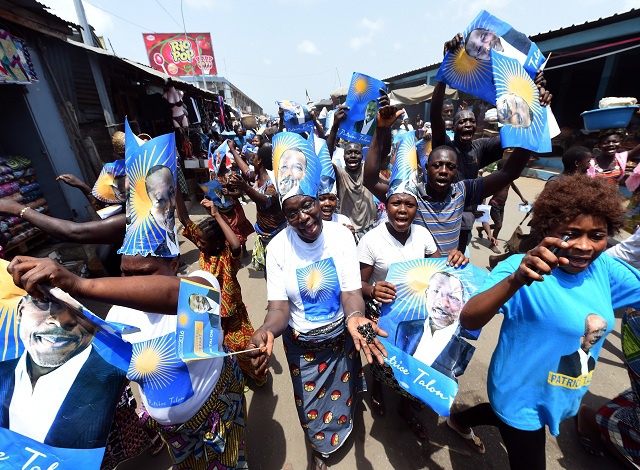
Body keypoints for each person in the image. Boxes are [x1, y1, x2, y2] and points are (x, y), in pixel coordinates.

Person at [446, 174, 640, 469]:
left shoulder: (605, 269)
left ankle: (459, 418)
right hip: (519, 393)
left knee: (497, 416)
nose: (584, 246)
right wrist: (515, 280)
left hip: (562, 390)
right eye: (571, 233)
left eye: (596, 235)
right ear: (548, 228)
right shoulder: (520, 268)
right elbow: (469, 317)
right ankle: (462, 418)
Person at [247, 132, 388, 470]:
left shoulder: (340, 236)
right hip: (303, 346)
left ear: (318, 200)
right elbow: (279, 309)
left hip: (342, 338)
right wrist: (267, 329)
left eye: (307, 206)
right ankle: (317, 448)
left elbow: (351, 292)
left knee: (346, 392)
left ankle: (343, 429)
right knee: (309, 404)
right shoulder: (278, 247)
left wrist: (355, 316)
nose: (304, 218)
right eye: (292, 213)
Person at [358, 141, 469, 441]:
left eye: (409, 205)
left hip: (413, 311)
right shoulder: (371, 240)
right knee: (379, 360)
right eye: (396, 203)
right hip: (379, 312)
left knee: (413, 360)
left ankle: (407, 407)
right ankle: (377, 389)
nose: (403, 210)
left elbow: (437, 267)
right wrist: (372, 290)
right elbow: (356, 285)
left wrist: (454, 258)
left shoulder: (422, 234)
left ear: (416, 208)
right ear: (387, 205)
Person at [364, 105, 537, 256]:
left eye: (450, 167)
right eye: (437, 165)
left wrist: (531, 126)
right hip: (416, 275)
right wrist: (380, 130)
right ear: (426, 168)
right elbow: (370, 181)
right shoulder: (412, 196)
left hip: (447, 277)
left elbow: (509, 173)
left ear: (456, 172)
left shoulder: (462, 191)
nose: (444, 171)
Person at [0, 295, 125, 449]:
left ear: (97, 324)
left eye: (81, 311)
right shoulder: (3, 373)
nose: (62, 320)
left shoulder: (115, 379)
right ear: (20, 310)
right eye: (46, 302)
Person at [177, 195, 265, 386]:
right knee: (217, 352)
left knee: (243, 349)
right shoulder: (203, 250)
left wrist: (217, 215)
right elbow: (184, 218)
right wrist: (176, 183)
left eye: (202, 242)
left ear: (217, 243)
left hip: (232, 315)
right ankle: (232, 380)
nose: (198, 244)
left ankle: (257, 378)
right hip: (209, 314)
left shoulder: (228, 256)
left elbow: (235, 245)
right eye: (198, 241)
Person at [396, 271, 476, 380]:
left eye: (453, 297)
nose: (443, 303)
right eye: (436, 291)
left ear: (463, 304)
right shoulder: (405, 328)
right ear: (426, 294)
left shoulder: (462, 349)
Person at [228, 143, 288, 276]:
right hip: (264, 233)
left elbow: (265, 201)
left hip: (276, 234)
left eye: (254, 156)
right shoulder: (257, 176)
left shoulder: (273, 182)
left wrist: (245, 187)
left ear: (259, 161)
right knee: (269, 271)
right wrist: (232, 150)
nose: (252, 159)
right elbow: (245, 170)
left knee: (279, 271)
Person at [477, 159, 529, 253]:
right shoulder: (497, 178)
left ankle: (480, 229)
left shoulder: (509, 178)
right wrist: (483, 202)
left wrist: (522, 197)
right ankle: (492, 245)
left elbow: (514, 186)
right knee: (499, 225)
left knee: (499, 225)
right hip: (494, 204)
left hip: (502, 205)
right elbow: (486, 188)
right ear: (502, 168)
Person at [145, 165, 178, 255]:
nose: (170, 205)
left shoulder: (170, 231)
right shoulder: (152, 245)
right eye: (160, 200)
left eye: (171, 193)